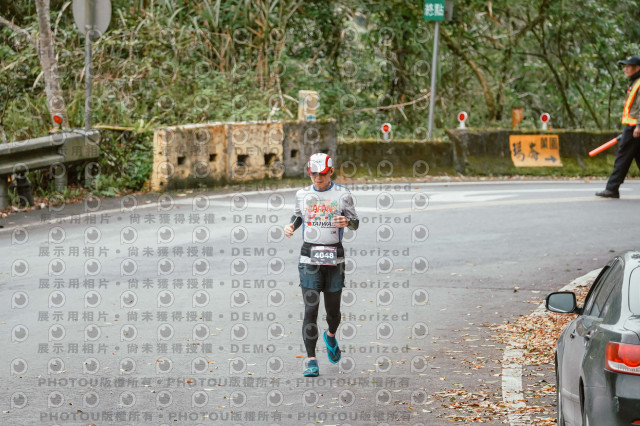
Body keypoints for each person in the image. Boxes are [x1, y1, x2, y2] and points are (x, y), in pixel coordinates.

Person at [284, 153, 359, 377]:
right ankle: (311, 360)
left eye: (322, 174)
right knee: (311, 309)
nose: (318, 178)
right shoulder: (302, 194)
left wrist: (347, 221)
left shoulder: (343, 195)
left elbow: (355, 222)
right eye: (313, 174)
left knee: (333, 312)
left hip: (335, 256)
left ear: (331, 171)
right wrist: (291, 226)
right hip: (309, 257)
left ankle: (331, 335)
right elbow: (298, 216)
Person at [596, 55, 640, 199]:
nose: (626, 69)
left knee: (622, 157)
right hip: (632, 125)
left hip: (634, 127)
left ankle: (612, 188)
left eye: (629, 66)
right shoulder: (634, 82)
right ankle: (612, 188)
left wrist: (638, 125)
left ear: (637, 68)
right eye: (625, 66)